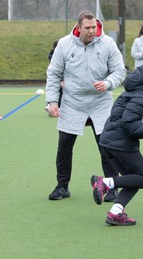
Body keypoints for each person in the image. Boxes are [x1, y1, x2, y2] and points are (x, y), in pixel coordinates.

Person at [46, 10, 126, 201]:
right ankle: (62, 187)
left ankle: (111, 187)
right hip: (73, 102)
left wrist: (107, 84)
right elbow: (54, 73)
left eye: (94, 27)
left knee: (106, 145)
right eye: (88, 28)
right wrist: (52, 101)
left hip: (101, 103)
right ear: (78, 27)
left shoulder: (107, 43)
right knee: (64, 146)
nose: (92, 31)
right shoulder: (65, 44)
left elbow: (119, 71)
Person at [90, 62, 143, 226]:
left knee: (133, 178)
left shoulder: (132, 93)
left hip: (108, 141)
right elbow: (130, 127)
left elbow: (134, 125)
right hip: (120, 144)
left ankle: (115, 213)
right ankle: (105, 183)